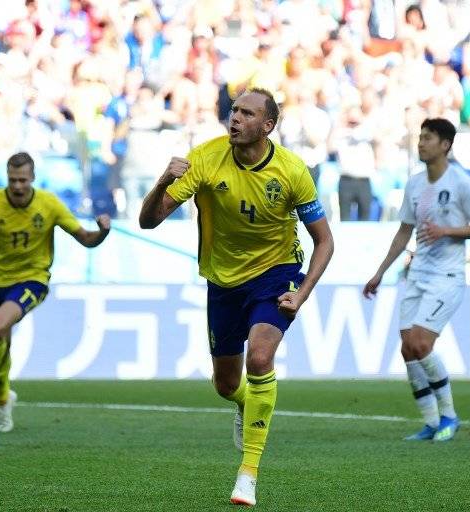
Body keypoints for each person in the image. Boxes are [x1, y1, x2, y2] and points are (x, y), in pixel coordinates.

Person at [139, 88, 333, 506]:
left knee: (260, 358)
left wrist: (301, 293)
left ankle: (248, 473)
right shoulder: (206, 159)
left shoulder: (292, 171)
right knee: (226, 384)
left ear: (267, 126)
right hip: (223, 282)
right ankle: (245, 402)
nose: (235, 118)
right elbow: (149, 220)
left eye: (247, 113)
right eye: (234, 111)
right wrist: (163, 180)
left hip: (275, 274)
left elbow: (325, 242)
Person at [0, 151, 111, 433]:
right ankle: (3, 402)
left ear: (32, 178)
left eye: (22, 180)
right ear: (6, 178)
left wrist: (103, 232)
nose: (18, 186)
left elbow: (85, 239)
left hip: (33, 280)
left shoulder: (49, 204)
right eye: (12, 180)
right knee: (1, 346)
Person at [363, 118, 470, 442]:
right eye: (419, 137)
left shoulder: (462, 183)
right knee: (408, 349)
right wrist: (380, 271)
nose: (420, 143)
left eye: (428, 138)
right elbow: (404, 230)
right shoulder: (415, 184)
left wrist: (447, 231)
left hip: (447, 275)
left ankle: (450, 416)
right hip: (417, 274)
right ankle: (431, 422)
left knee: (420, 343)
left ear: (445, 144)